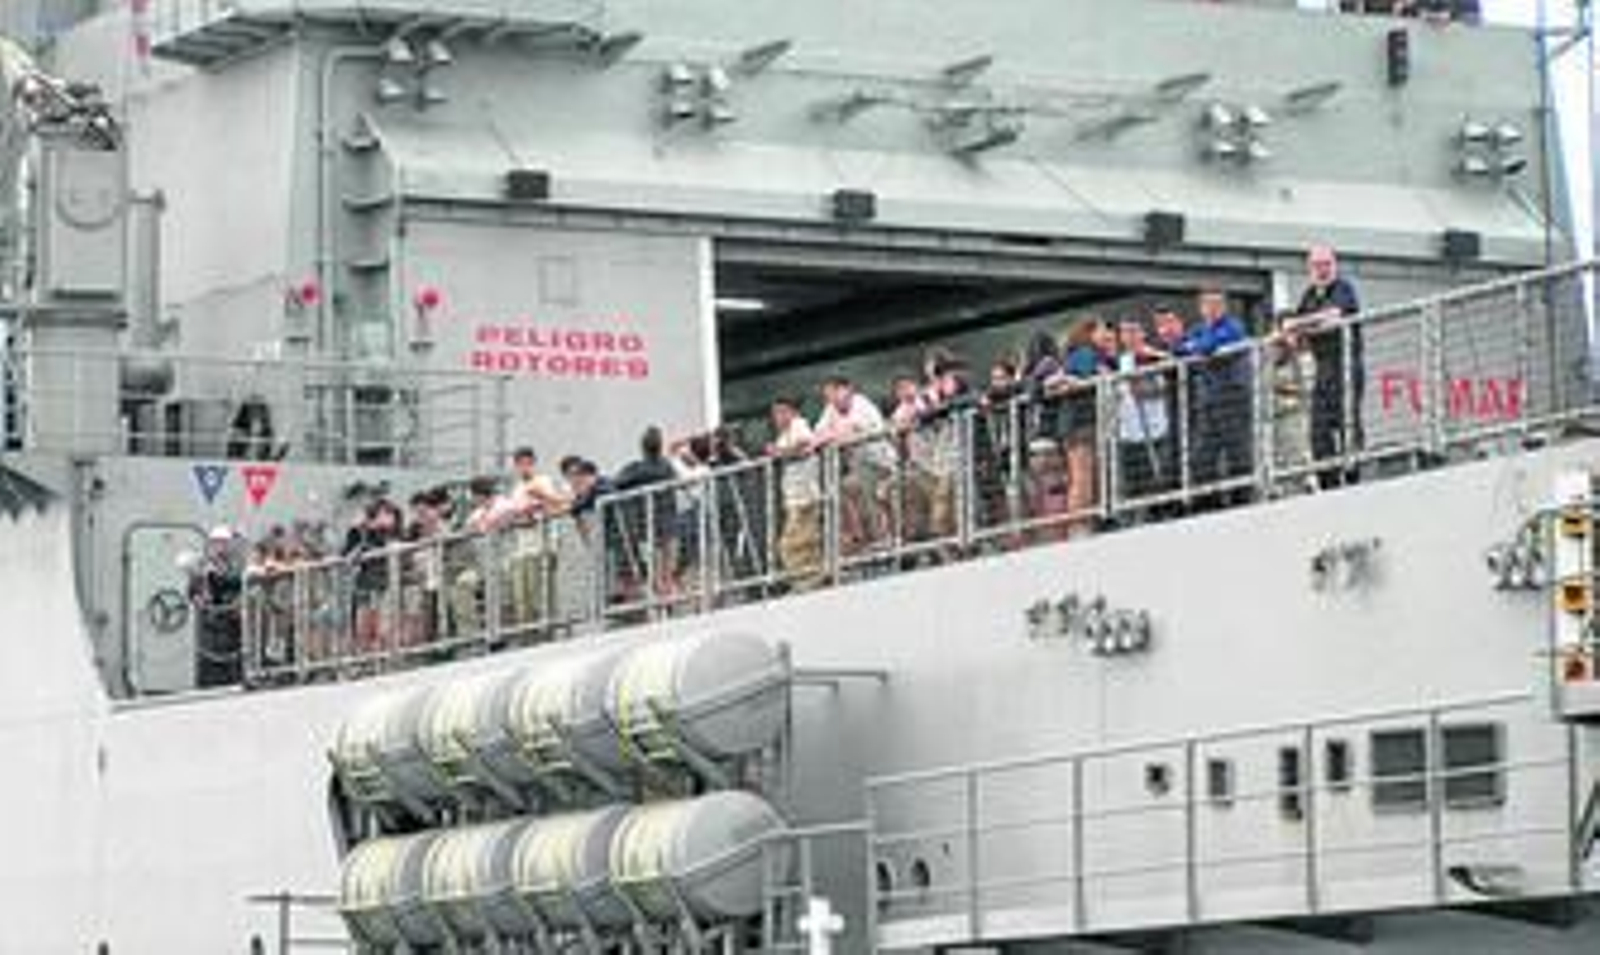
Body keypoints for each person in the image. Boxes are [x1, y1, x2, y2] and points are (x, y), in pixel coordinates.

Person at [1294, 244, 1364, 489]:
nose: (1321, 270)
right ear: (1309, 268)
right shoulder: (1309, 295)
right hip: (1322, 368)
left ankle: (1354, 474)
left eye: (1326, 264)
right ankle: (1329, 482)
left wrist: (1305, 324)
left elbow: (1334, 317)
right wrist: (1307, 324)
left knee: (1348, 422)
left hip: (1346, 364)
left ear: (1335, 265)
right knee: (1318, 430)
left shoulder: (1344, 288)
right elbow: (1291, 327)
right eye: (1316, 265)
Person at [1183, 287, 1254, 508]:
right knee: (1203, 453)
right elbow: (1179, 349)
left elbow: (1209, 345)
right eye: (1208, 305)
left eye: (1217, 305)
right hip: (1208, 400)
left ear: (1224, 307)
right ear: (1201, 308)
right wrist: (1196, 346)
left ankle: (1241, 499)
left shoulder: (1234, 326)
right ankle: (1207, 502)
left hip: (1232, 396)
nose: (1212, 309)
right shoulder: (1197, 329)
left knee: (1237, 449)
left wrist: (1197, 346)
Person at [813, 375, 894, 554]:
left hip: (880, 462)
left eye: (835, 392)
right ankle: (862, 538)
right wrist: (831, 436)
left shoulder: (861, 404)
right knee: (845, 488)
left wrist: (834, 436)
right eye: (828, 395)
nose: (832, 398)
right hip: (859, 465)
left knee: (865, 488)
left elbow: (851, 432)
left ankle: (885, 537)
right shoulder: (830, 410)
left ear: (847, 389)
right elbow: (816, 437)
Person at [1056, 318, 1116, 536]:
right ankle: (1079, 525)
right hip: (1080, 421)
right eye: (1101, 330)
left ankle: (1085, 521)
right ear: (1089, 333)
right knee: (1082, 475)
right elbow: (1079, 378)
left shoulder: (1089, 355)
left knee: (1085, 474)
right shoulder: (1084, 354)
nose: (1106, 334)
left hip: (1079, 421)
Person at [504, 447, 571, 636]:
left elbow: (554, 504)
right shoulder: (516, 490)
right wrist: (519, 516)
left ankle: (547, 632)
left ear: (533, 463)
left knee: (540, 594)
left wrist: (536, 506)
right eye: (520, 464)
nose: (524, 468)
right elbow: (513, 514)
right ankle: (528, 635)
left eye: (527, 463)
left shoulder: (543, 481)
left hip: (542, 545)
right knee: (522, 598)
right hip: (521, 548)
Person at [612, 426, 680, 601]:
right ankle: (668, 597)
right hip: (668, 526)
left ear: (642, 448)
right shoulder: (667, 467)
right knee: (667, 570)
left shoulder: (637, 469)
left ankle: (661, 602)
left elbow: (616, 483)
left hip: (649, 528)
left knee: (656, 572)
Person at [1114, 318, 1173, 510]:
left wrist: (1140, 385)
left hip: (1155, 430)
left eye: (1133, 331)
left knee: (1159, 481)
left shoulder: (1154, 356)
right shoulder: (1121, 361)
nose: (1129, 337)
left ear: (1142, 333)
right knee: (1134, 486)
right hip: (1129, 432)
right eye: (1125, 332)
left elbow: (1162, 388)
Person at [767, 396, 824, 590]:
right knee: (803, 542)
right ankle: (810, 579)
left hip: (805, 496)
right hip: (793, 497)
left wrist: (779, 452)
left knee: (791, 544)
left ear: (791, 412)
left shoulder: (799, 425)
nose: (778, 417)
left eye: (782, 412)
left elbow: (804, 447)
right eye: (775, 414)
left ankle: (807, 581)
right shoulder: (783, 436)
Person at [1268, 312, 1318, 495]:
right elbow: (1264, 381)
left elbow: (1306, 386)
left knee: (1299, 452)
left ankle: (1306, 487)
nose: (1287, 335)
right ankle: (1280, 490)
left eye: (1291, 331)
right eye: (1283, 331)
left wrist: (1293, 354)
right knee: (1278, 456)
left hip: (1296, 412)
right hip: (1275, 414)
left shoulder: (1305, 356)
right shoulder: (1273, 357)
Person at [344, 498, 403, 654]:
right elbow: (348, 555)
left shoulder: (395, 532)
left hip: (387, 585)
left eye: (389, 514)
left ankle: (385, 655)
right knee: (364, 625)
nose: (386, 518)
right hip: (364, 584)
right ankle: (364, 657)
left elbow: (399, 545)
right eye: (382, 514)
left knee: (384, 627)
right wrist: (361, 531)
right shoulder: (358, 533)